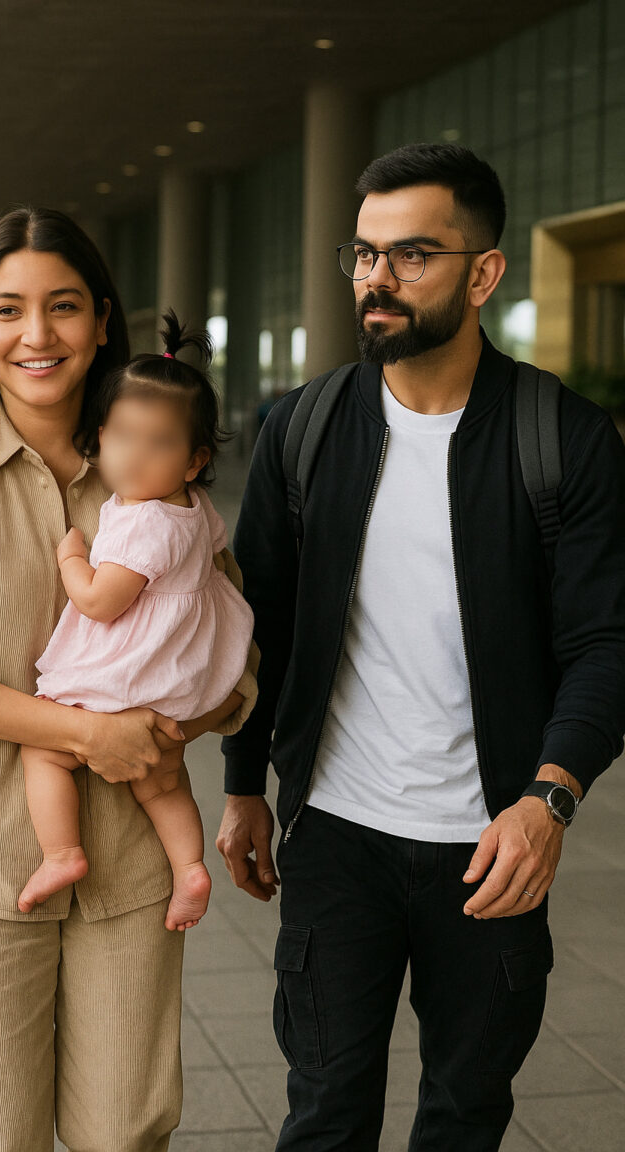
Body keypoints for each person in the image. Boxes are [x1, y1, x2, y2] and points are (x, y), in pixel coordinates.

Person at [216, 143, 625, 1151]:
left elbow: (607, 641)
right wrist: (242, 784)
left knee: (464, 1116)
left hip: (492, 845)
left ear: (483, 274)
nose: (377, 279)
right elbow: (259, 623)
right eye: (364, 254)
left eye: (411, 255)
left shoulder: (563, 439)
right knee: (324, 1116)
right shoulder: (305, 429)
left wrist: (549, 800)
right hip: (335, 835)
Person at [0, 207, 257, 1152]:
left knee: (126, 1132)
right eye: (8, 310)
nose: (36, 334)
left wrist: (181, 722)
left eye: (65, 306)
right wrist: (89, 733)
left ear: (102, 321)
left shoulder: (154, 465)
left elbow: (235, 652)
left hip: (132, 869)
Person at [18, 311, 255, 931]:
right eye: (123, 435)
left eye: (159, 443)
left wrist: (72, 560)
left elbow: (101, 602)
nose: (135, 455)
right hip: (177, 674)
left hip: (133, 674)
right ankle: (190, 868)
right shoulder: (192, 508)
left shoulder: (145, 522)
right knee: (162, 782)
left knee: (43, 748)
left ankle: (61, 853)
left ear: (194, 459)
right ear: (101, 436)